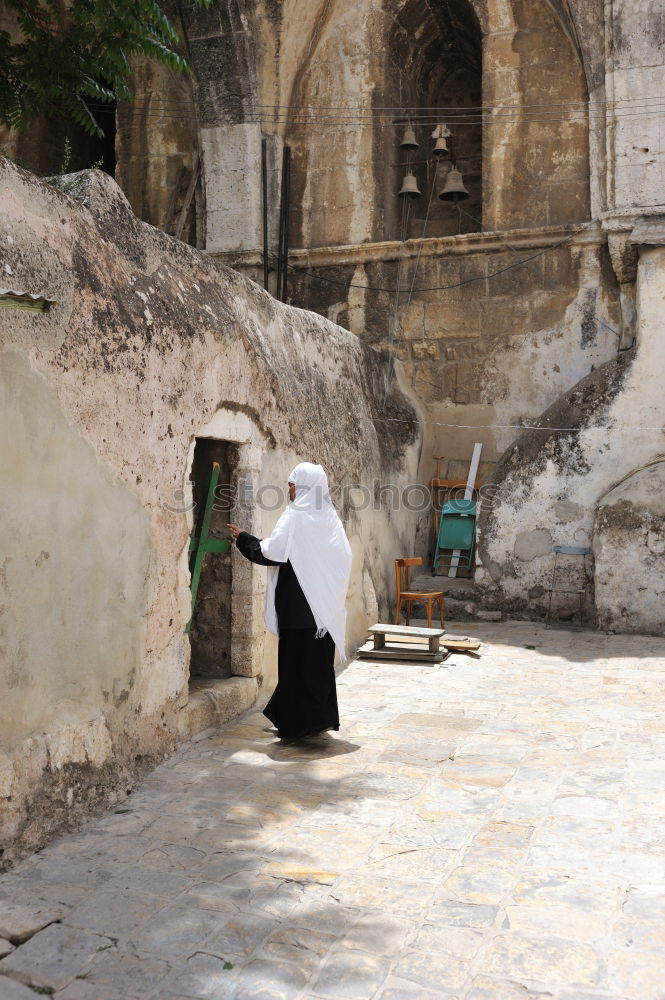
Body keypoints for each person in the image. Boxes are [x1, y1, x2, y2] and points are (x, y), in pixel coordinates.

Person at [228, 462, 352, 741]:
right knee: (317, 668)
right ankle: (318, 720)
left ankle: (296, 726)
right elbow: (343, 557)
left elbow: (271, 552)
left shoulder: (296, 516)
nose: (289, 489)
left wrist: (244, 539)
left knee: (295, 667)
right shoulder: (329, 518)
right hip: (323, 612)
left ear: (305, 486)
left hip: (298, 611)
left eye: (292, 484)